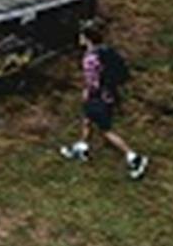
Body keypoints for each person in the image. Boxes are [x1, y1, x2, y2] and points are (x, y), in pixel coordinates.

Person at [59, 19, 148, 179]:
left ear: (86, 38)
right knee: (87, 119)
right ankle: (82, 147)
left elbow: (92, 80)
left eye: (81, 35)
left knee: (106, 130)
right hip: (109, 94)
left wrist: (88, 92)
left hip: (98, 97)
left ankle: (134, 158)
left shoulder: (90, 58)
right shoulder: (106, 51)